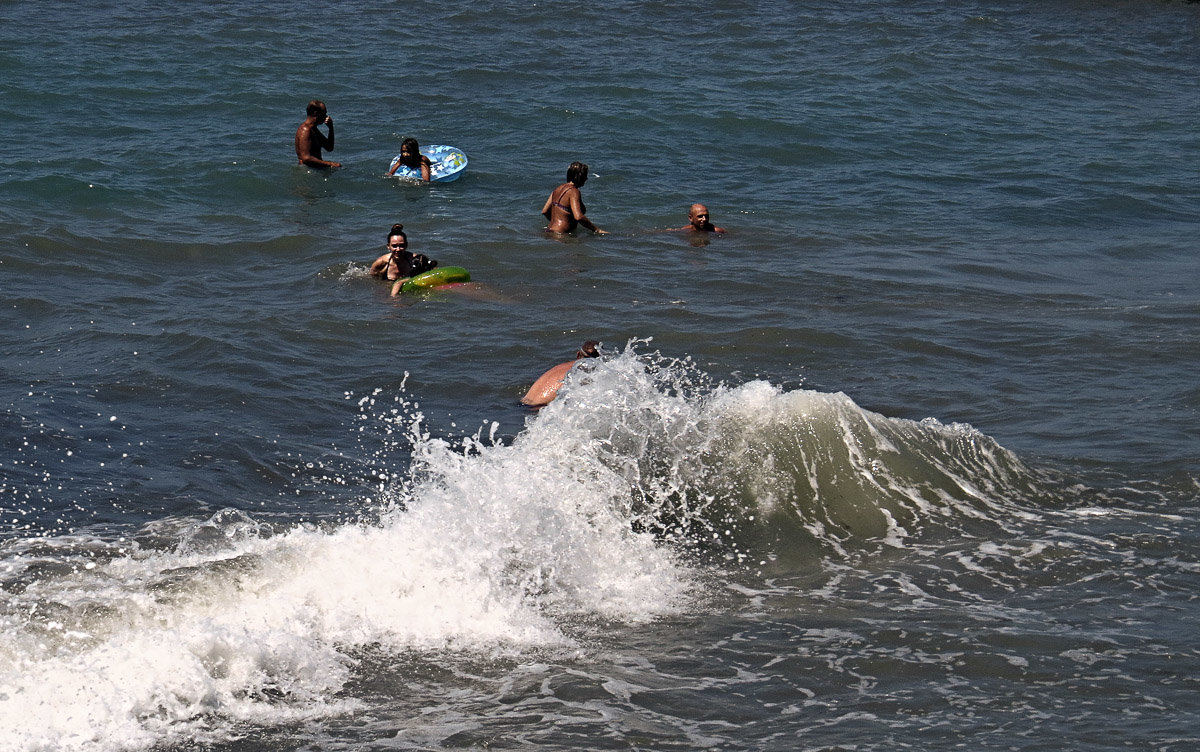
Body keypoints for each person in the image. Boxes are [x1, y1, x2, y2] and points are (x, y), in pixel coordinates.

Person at [520, 341, 601, 407]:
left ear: (578, 354)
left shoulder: (561, 366)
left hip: (522, 403)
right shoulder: (582, 373)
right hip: (537, 409)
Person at [368, 224, 438, 295]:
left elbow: (434, 270)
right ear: (388, 246)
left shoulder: (415, 259)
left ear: (406, 245)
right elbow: (373, 279)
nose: (398, 249)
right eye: (394, 246)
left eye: (401, 245)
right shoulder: (381, 262)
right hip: (388, 287)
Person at [542, 162, 607, 235]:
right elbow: (578, 217)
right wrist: (597, 230)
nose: (586, 178)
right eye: (585, 175)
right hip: (561, 235)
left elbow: (544, 211)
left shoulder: (557, 189)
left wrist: (557, 222)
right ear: (579, 176)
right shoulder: (574, 191)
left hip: (549, 231)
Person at [295, 100, 341, 169]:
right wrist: (330, 164)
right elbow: (306, 158)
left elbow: (329, 147)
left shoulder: (313, 129)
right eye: (324, 113)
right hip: (308, 170)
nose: (326, 117)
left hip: (314, 170)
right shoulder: (305, 131)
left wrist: (330, 128)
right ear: (316, 113)